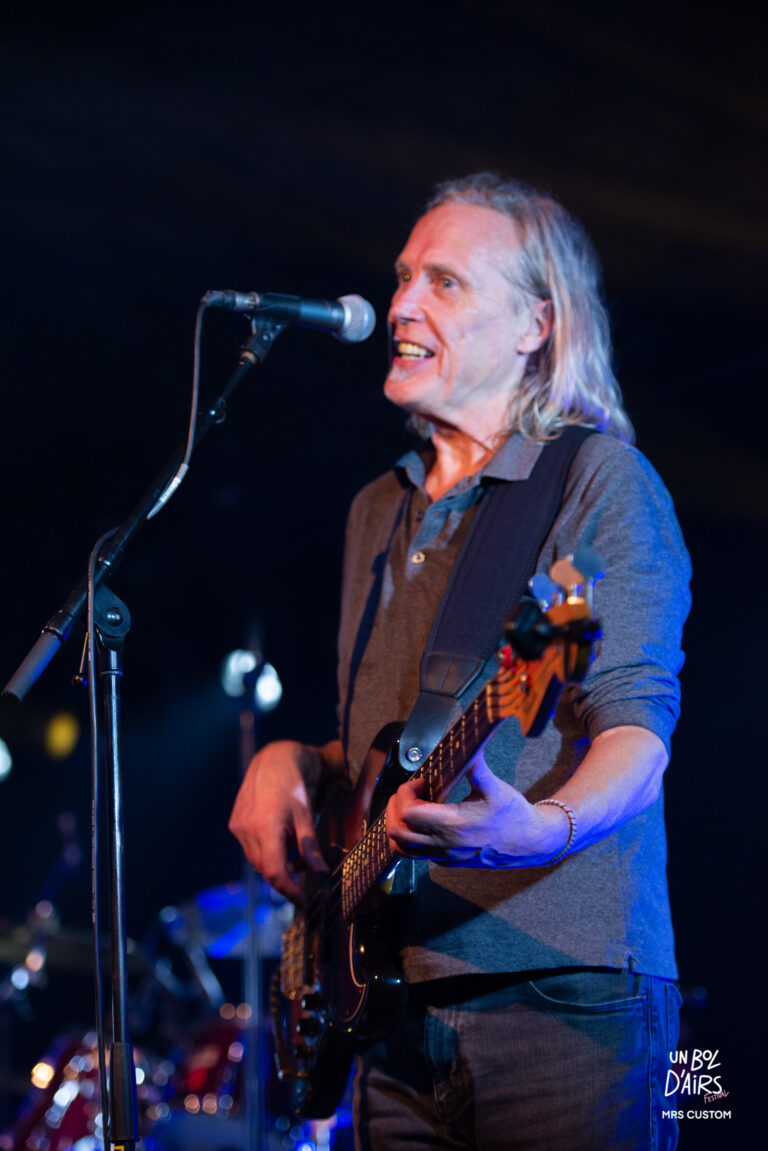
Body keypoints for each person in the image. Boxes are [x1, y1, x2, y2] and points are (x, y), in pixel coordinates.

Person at [229, 173, 691, 1151]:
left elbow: (635, 726)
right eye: (403, 277)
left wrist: (544, 826)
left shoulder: (596, 480)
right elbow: (381, 751)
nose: (400, 304)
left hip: (557, 998)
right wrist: (292, 760)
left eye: (443, 281)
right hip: (389, 1014)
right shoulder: (376, 509)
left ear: (535, 324)